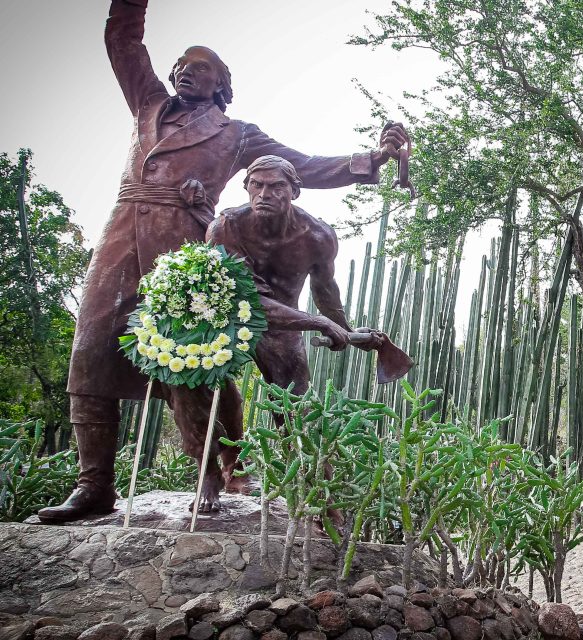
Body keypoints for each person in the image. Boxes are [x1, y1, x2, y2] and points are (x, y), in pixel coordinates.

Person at [40, 0, 408, 523]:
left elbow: (302, 166)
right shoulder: (147, 105)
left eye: (203, 67)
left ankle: (229, 464)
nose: (189, 71)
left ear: (221, 84)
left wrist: (368, 161)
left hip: (192, 247)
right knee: (92, 345)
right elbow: (123, 43)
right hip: (122, 237)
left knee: (197, 359)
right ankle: (94, 483)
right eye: (182, 66)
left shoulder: (236, 134)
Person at [208, 155, 387, 391]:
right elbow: (246, 298)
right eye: (256, 184)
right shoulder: (225, 228)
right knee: (214, 402)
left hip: (284, 328)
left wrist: (346, 330)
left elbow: (324, 290)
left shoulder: (317, 237)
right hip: (225, 321)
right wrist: (318, 323)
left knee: (295, 409)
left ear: (294, 192)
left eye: (276, 186)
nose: (264, 194)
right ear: (247, 187)